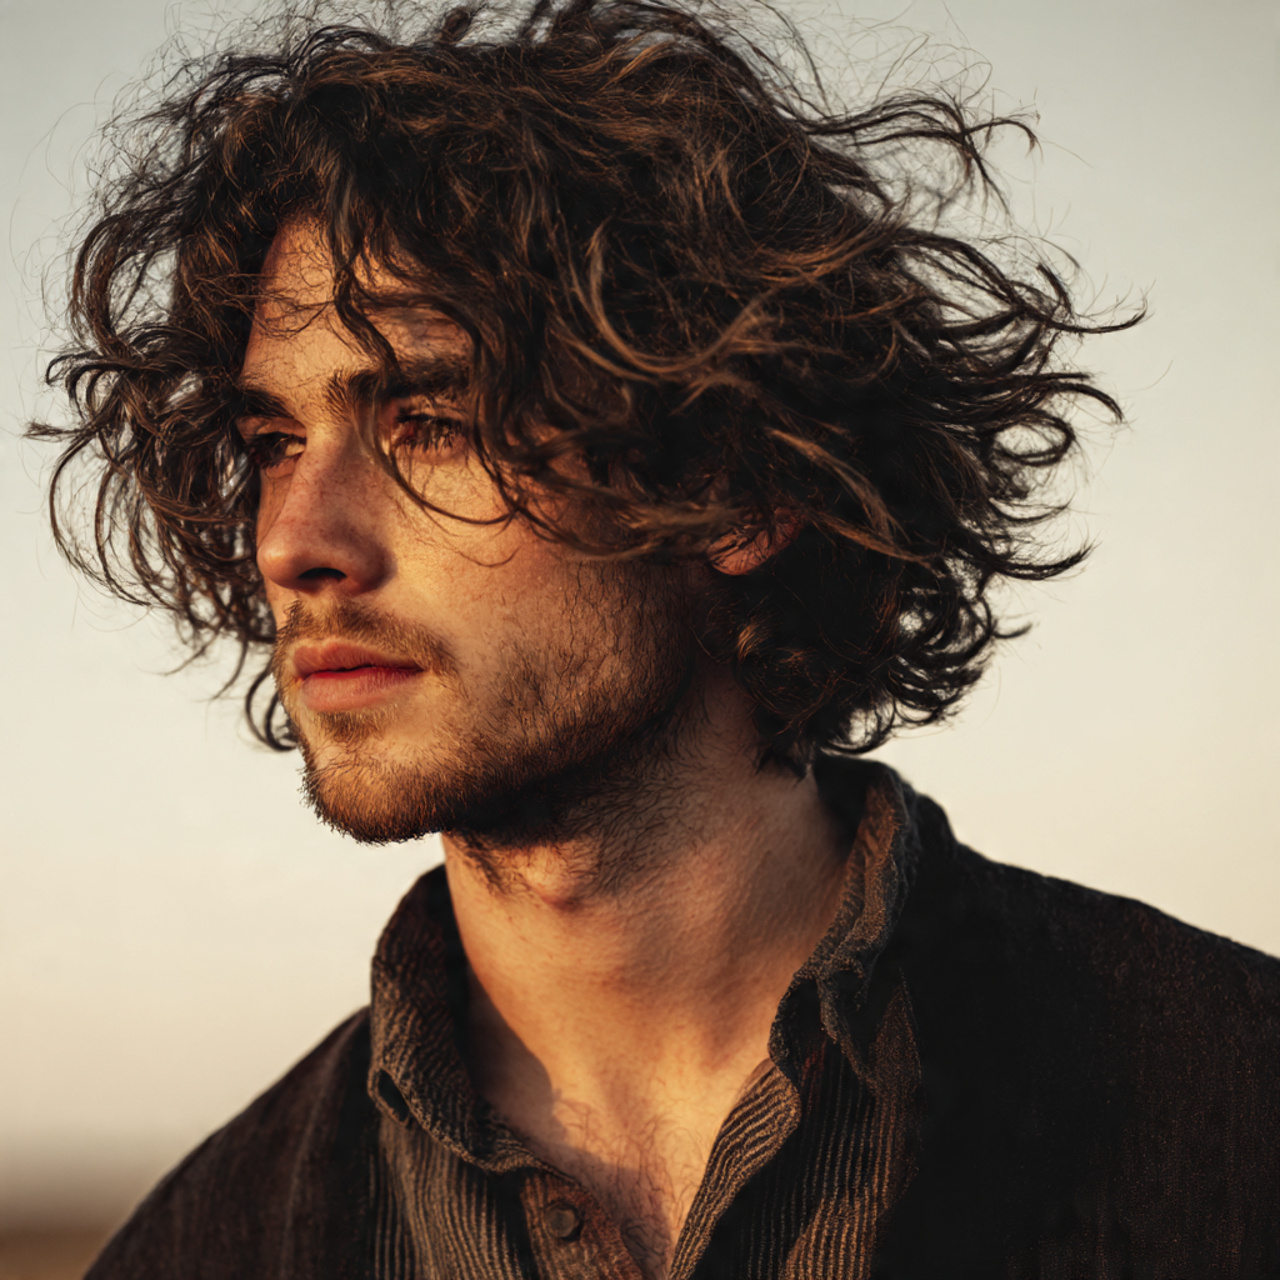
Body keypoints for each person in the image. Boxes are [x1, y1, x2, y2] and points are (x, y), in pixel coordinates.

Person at [32, 0, 1279, 1275]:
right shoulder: (198, 1248)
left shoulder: (1231, 1111)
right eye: (272, 443)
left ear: (739, 484)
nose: (294, 537)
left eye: (428, 420)